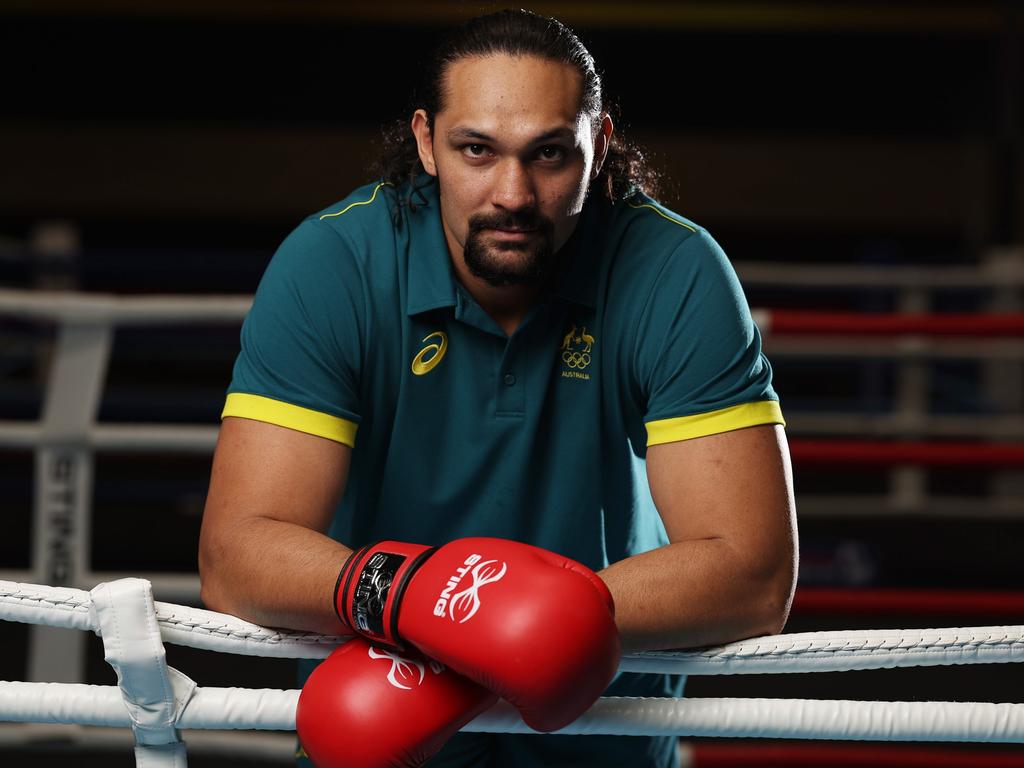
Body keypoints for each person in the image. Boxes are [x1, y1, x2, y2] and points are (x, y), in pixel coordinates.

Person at [198, 9, 798, 768]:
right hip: (398, 733)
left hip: (602, 736)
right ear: (426, 142)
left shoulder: (673, 269)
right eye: (476, 150)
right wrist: (421, 598)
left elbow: (753, 571)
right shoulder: (335, 262)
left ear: (599, 145)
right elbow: (237, 552)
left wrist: (495, 628)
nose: (512, 193)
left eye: (549, 154)